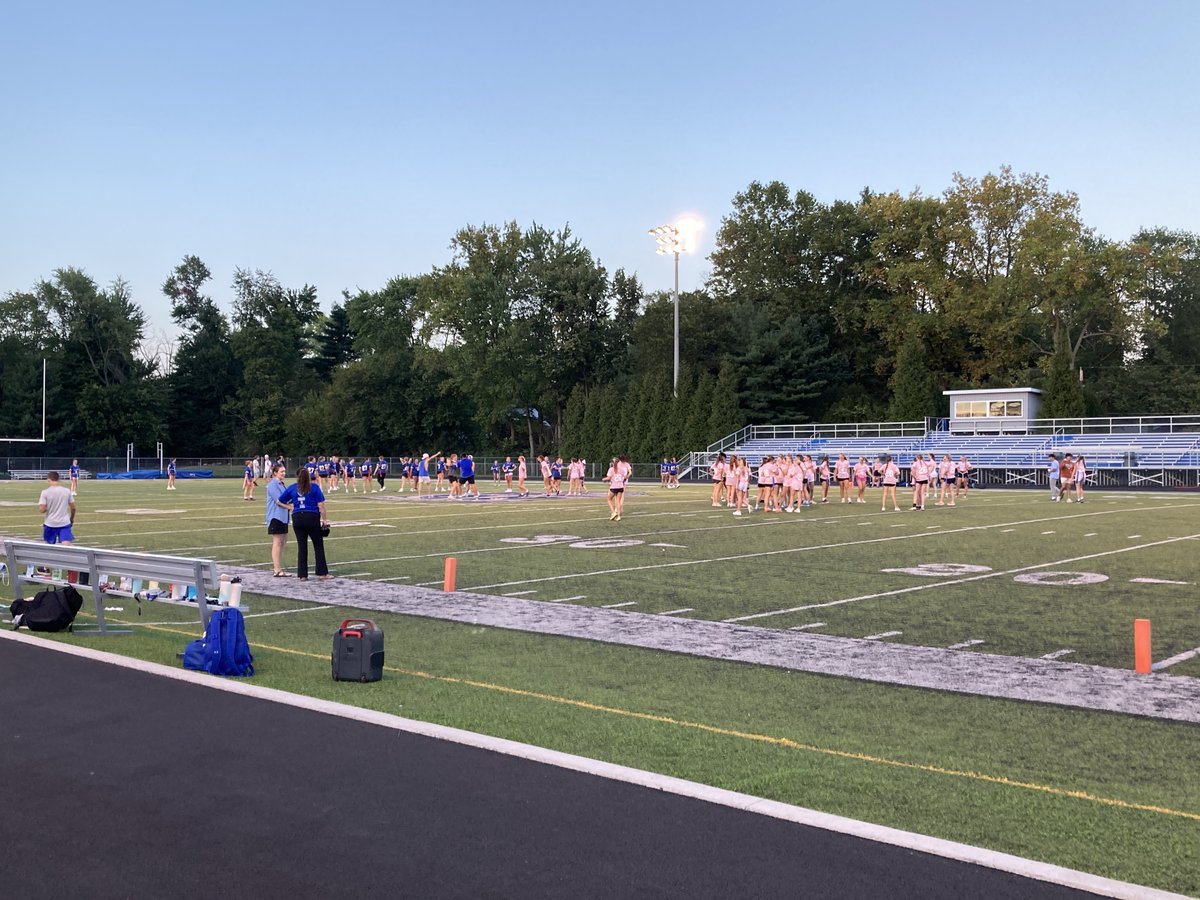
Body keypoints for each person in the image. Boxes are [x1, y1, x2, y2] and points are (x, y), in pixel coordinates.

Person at [278, 467, 331, 581]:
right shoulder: (315, 487)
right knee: (318, 545)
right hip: (312, 517)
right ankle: (322, 573)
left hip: (297, 517)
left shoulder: (292, 487)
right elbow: (321, 505)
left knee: (302, 546)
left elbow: (280, 500)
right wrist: (325, 520)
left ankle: (302, 575)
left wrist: (291, 506)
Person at [265, 464, 293, 577]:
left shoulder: (282, 484)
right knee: (277, 542)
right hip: (275, 517)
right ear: (275, 473)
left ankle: (279, 567)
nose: (284, 473)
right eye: (281, 471)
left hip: (283, 517)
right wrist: (290, 507)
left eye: (284, 471)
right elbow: (279, 501)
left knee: (283, 542)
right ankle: (276, 569)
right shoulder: (272, 484)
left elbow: (288, 498)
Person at [40, 471, 76, 546]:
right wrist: (71, 519)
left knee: (49, 547)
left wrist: (47, 507)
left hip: (50, 523)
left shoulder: (45, 492)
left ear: (49, 480)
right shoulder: (67, 491)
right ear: (58, 479)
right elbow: (73, 508)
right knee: (66, 546)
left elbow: (42, 509)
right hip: (64, 522)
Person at [603, 455, 632, 521]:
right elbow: (625, 475)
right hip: (621, 485)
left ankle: (613, 512)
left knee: (609, 499)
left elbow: (609, 477)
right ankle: (618, 516)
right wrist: (624, 479)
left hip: (614, 486)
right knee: (618, 500)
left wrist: (604, 480)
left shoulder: (611, 469)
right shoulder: (623, 468)